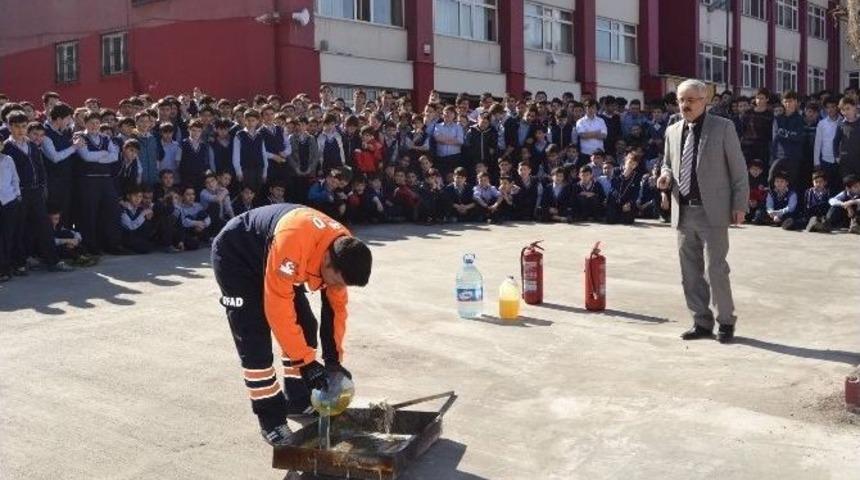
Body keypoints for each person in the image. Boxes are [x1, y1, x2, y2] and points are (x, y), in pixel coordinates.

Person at [210, 203, 372, 446]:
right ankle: (271, 421)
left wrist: (333, 361)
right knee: (255, 341)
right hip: (238, 257)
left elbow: (336, 312)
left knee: (306, 327)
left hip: (274, 259)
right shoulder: (294, 242)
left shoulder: (344, 247)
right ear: (328, 261)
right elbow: (277, 309)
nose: (339, 288)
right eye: (337, 281)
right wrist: (306, 362)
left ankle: (298, 399)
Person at [657, 79, 749, 344]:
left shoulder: (723, 128)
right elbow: (667, 163)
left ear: (704, 100)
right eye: (681, 100)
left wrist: (739, 205)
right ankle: (701, 321)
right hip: (683, 210)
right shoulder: (673, 130)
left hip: (714, 212)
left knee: (716, 269)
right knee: (690, 273)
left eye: (690, 100)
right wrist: (664, 176)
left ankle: (726, 322)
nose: (685, 105)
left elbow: (739, 170)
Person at [4, 110, 74, 272]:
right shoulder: (6, 148)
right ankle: (19, 263)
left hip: (36, 192)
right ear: (9, 126)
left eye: (23, 126)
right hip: (18, 194)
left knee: (44, 227)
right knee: (19, 228)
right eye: (16, 126)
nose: (20, 130)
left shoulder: (32, 145)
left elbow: (41, 168)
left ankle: (52, 260)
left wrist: (43, 187)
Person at [0, 149, 21, 281]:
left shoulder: (8, 159)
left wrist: (17, 195)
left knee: (8, 235)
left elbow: (15, 179)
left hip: (8, 201)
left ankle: (7, 267)